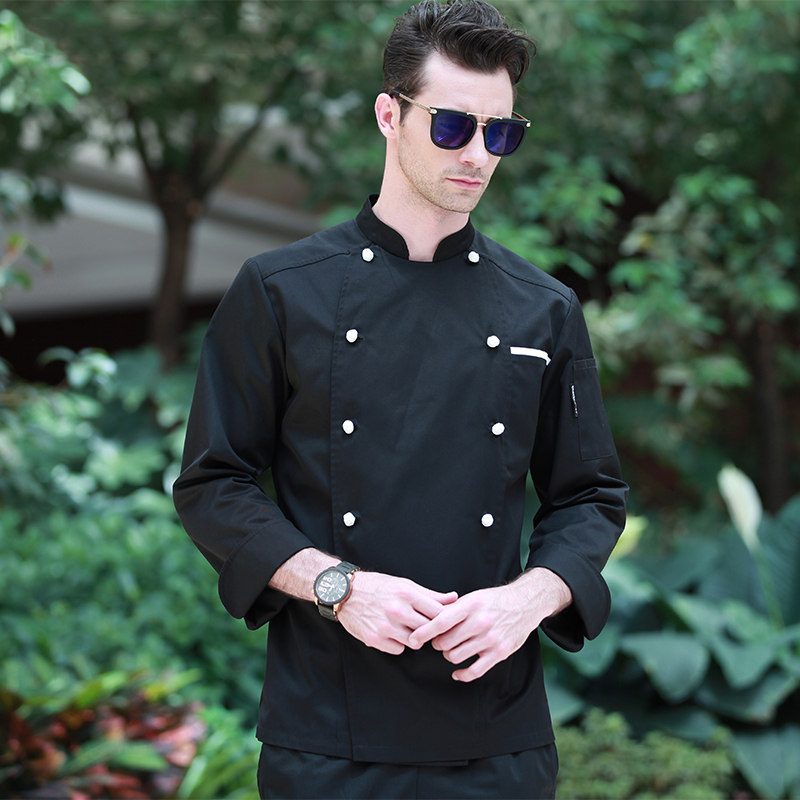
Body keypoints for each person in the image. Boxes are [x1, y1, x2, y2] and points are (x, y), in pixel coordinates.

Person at [173, 1, 628, 797]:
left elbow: (590, 496)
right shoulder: (281, 292)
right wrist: (340, 587)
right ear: (390, 115)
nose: (478, 155)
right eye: (453, 127)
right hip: (327, 736)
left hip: (497, 739)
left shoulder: (543, 308)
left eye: (501, 133)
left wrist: (528, 599)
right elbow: (214, 484)